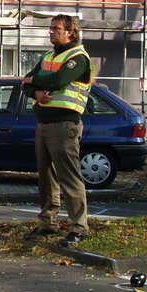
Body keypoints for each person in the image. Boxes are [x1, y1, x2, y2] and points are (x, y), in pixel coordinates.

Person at [21, 15, 94, 248]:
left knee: (69, 177)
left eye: (56, 29)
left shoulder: (78, 57)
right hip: (43, 123)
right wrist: (36, 93)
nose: (50, 32)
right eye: (50, 28)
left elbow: (59, 80)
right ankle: (47, 223)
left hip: (65, 124)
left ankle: (78, 227)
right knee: (46, 177)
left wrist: (37, 80)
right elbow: (25, 84)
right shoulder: (48, 56)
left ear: (70, 32)